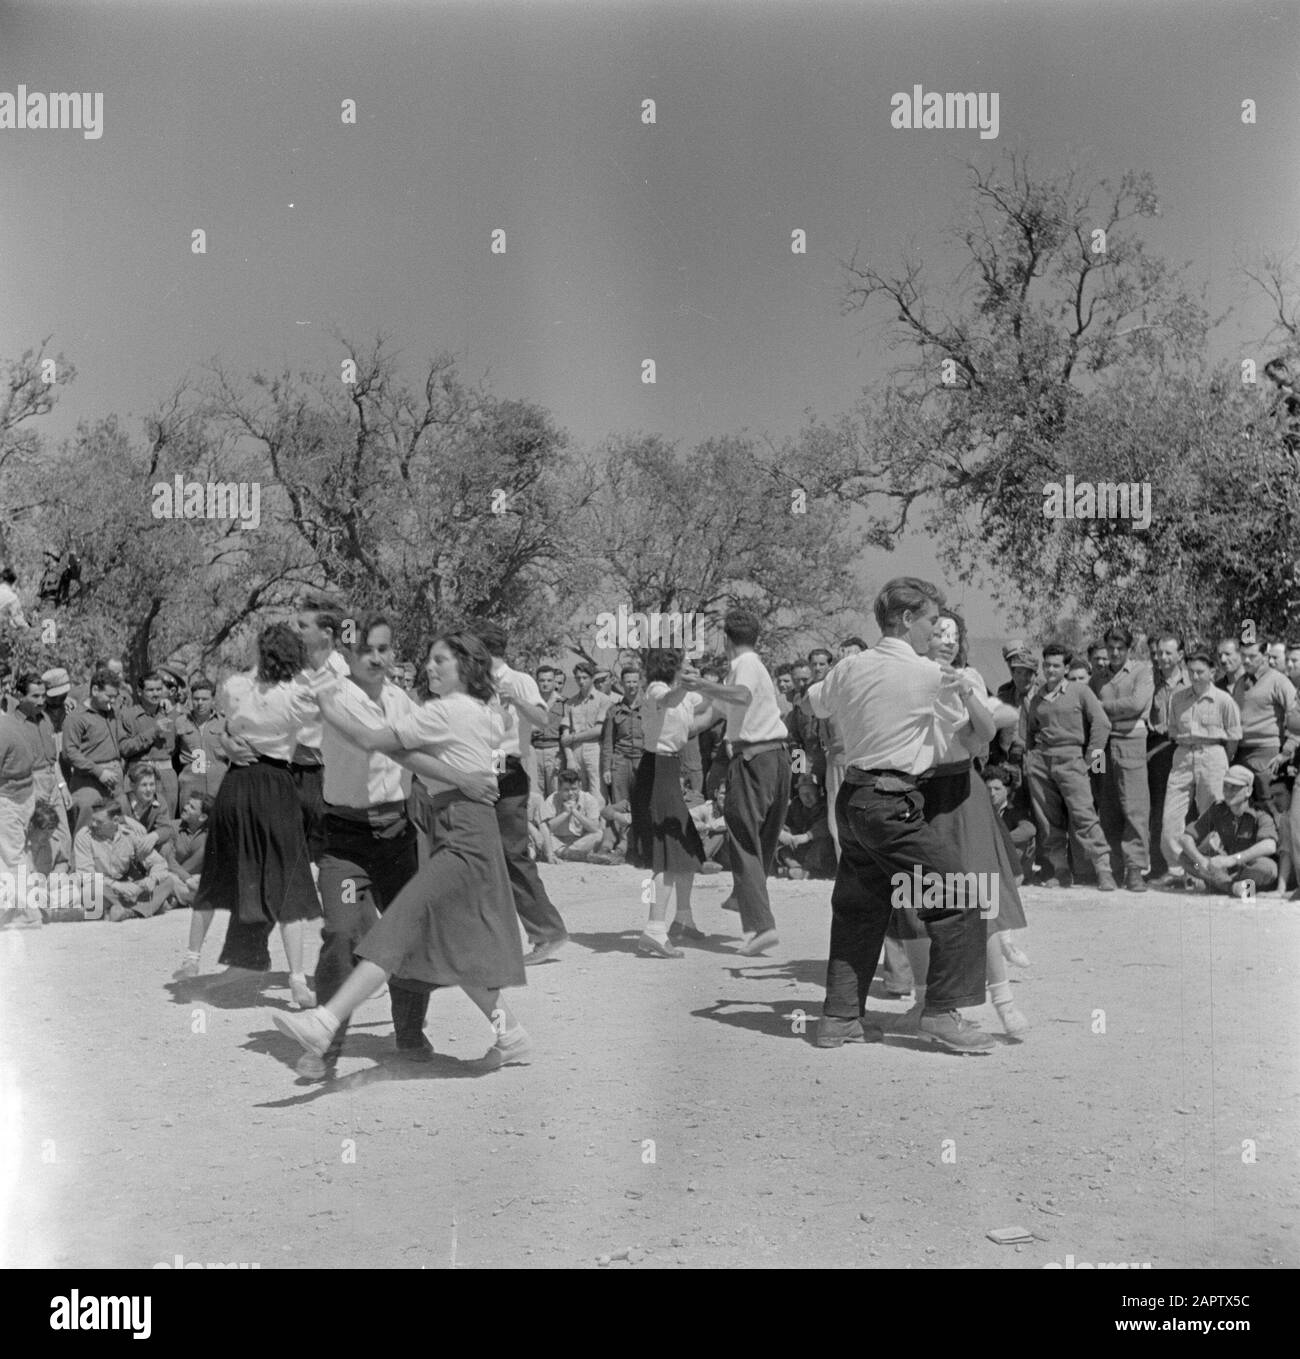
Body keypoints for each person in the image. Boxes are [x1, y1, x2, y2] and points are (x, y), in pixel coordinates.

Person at [272, 631, 531, 1072]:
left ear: (466, 666)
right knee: (454, 941)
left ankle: (325, 1021)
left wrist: (327, 705)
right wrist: (460, 776)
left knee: (398, 923)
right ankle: (511, 1035)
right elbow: (411, 755)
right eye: (429, 660)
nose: (429, 667)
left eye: (440, 661)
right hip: (464, 826)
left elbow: (372, 740)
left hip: (460, 833)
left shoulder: (443, 711)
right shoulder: (480, 711)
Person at [808, 577, 994, 1053]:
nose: (936, 631)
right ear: (908, 619)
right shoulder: (929, 675)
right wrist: (966, 690)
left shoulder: (850, 667)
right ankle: (941, 1014)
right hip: (893, 801)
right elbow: (980, 734)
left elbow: (815, 701)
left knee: (858, 909)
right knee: (959, 896)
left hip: (852, 798)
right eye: (931, 620)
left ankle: (839, 1017)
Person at [301, 614, 464, 1079]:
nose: (376, 658)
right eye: (365, 649)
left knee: (408, 932)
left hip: (397, 836)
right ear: (348, 654)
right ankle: (325, 1046)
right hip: (346, 842)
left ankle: (409, 1032)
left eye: (384, 649)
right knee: (341, 933)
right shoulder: (331, 697)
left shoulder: (402, 701)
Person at [175, 624, 334, 1007]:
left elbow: (229, 724)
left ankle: (192, 956)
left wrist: (230, 742)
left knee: (220, 872)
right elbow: (319, 710)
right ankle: (297, 979)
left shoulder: (236, 687)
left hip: (237, 784)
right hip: (276, 785)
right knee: (287, 881)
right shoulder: (296, 695)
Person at [688, 611, 791, 956]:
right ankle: (741, 895)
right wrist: (672, 731)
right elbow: (710, 715)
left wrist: (700, 684)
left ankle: (762, 926)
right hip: (775, 756)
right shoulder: (746, 670)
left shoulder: (745, 664)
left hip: (753, 759)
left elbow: (740, 697)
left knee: (744, 837)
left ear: (726, 639)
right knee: (762, 837)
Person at [477, 623, 570, 966]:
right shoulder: (477, 682)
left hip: (507, 766)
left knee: (513, 853)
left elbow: (543, 719)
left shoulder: (519, 680)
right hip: (482, 767)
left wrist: (514, 699)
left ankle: (547, 931)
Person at [628, 647, 713, 955]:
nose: (690, 668)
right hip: (656, 770)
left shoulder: (682, 693)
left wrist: (716, 690)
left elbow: (702, 712)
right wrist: (691, 684)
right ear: (672, 667)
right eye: (685, 665)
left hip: (669, 768)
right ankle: (654, 928)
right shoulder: (656, 689)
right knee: (667, 853)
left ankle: (683, 918)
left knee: (685, 843)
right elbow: (669, 700)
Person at [1022, 643, 1115, 890]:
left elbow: (1102, 724)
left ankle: (1103, 869)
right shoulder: (1037, 697)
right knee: (1047, 820)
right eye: (1047, 665)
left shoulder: (1079, 691)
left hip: (1072, 758)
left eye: (1056, 665)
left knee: (1084, 815)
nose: (1050, 670)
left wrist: (1090, 760)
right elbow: (1031, 731)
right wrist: (1030, 759)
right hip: (1041, 762)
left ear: (1066, 668)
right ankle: (1060, 870)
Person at [1152, 651, 1242, 889]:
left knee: (1213, 814)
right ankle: (1178, 870)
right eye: (1191, 671)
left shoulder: (1224, 700)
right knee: (1171, 817)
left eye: (1200, 672)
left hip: (1212, 754)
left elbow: (1234, 736)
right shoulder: (1178, 698)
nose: (1195, 676)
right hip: (1183, 754)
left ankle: (1211, 872)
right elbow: (1172, 729)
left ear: (1212, 672)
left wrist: (1221, 760)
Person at [1090, 625, 1154, 891]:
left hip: (1132, 744)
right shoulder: (1098, 678)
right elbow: (1090, 711)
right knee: (1107, 806)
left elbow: (1136, 705)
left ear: (1129, 649)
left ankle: (1135, 868)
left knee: (1135, 808)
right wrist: (1107, 711)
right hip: (1103, 747)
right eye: (1111, 648)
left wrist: (1102, 707)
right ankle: (1112, 868)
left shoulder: (1142, 672)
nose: (1115, 653)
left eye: (1120, 648)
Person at [60, 668, 154, 833]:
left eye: (115, 696)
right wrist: (99, 772)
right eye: (109, 696)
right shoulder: (76, 718)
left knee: (123, 822)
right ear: (95, 690)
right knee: (88, 820)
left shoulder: (113, 713)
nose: (112, 701)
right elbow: (70, 753)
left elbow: (125, 738)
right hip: (88, 780)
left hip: (115, 781)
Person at [1176, 765, 1278, 898]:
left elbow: (1270, 845)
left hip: (1250, 868)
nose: (1228, 792)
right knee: (1186, 859)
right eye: (1225, 786)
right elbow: (1186, 838)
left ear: (1248, 791)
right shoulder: (1218, 809)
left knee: (1267, 868)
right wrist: (1201, 861)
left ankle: (1221, 884)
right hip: (1225, 870)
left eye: (1235, 787)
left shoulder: (1261, 814)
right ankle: (1233, 887)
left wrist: (1233, 859)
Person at [73, 799, 171, 921]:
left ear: (115, 820)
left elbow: (159, 863)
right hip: (105, 887)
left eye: (99, 822)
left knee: (168, 880)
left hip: (130, 887)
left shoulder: (129, 834)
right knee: (89, 892)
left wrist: (151, 880)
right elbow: (86, 875)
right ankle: (148, 907)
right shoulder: (84, 836)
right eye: (92, 819)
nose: (93, 824)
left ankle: (127, 911)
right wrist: (118, 886)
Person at [1231, 637, 1298, 802]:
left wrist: (1286, 751)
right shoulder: (1240, 682)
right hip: (1240, 753)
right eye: (1243, 655)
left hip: (1267, 754)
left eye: (1252, 656)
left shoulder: (1279, 681)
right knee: (1241, 806)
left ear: (1265, 656)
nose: (1246, 660)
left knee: (1270, 806)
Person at [1147, 633, 1190, 880]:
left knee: (1187, 809)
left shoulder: (1192, 680)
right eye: (1159, 653)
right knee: (1158, 808)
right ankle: (1159, 867)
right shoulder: (1150, 682)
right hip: (1157, 749)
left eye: (1168, 653)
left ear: (1180, 655)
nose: (1162, 658)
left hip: (1184, 747)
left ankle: (1190, 868)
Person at [10, 672, 69, 833]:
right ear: (20, 696)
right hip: (31, 785)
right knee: (39, 837)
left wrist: (62, 785)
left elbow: (53, 759)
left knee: (63, 837)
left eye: (43, 696)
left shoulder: (45, 719)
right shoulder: (12, 725)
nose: (41, 701)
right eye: (35, 696)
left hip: (53, 783)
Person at [561, 661, 612, 805]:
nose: (581, 681)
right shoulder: (570, 703)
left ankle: (598, 820)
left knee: (597, 794)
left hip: (594, 749)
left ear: (592, 678)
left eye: (585, 677)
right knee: (577, 794)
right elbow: (565, 735)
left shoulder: (603, 700)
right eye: (578, 678)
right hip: (575, 751)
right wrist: (569, 758)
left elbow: (598, 730)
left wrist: (573, 737)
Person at [175, 675, 229, 808]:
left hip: (218, 785)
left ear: (213, 700)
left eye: (204, 699)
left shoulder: (224, 723)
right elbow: (172, 752)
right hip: (190, 786)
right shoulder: (180, 722)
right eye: (196, 699)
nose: (200, 703)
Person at [133, 671, 181, 816]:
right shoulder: (129, 715)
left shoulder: (177, 715)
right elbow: (124, 748)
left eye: (159, 689)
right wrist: (153, 731)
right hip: (141, 773)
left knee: (167, 819)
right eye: (151, 690)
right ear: (140, 691)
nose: (156, 693)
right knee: (140, 820)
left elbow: (182, 747)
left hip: (167, 776)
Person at [538, 770, 611, 863]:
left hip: (580, 841)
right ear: (559, 788)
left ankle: (566, 853)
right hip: (558, 840)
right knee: (542, 836)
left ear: (580, 786)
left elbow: (594, 828)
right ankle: (575, 855)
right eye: (566, 790)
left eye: (574, 789)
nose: (571, 793)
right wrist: (565, 813)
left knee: (599, 834)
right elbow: (547, 828)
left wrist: (575, 812)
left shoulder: (589, 799)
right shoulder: (551, 799)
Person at [776, 776, 836, 879]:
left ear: (819, 792)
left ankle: (806, 872)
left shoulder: (827, 805)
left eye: (810, 793)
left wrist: (808, 836)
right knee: (778, 836)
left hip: (817, 851)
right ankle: (795, 866)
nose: (806, 798)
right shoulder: (796, 805)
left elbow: (828, 823)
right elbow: (785, 823)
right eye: (802, 794)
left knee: (825, 841)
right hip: (801, 847)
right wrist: (786, 834)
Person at [601, 664, 645, 805]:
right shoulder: (614, 710)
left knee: (644, 803)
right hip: (620, 762)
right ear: (621, 684)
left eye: (634, 681)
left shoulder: (650, 708)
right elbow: (608, 742)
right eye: (628, 682)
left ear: (640, 683)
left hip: (643, 760)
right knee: (620, 804)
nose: (631, 686)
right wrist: (606, 769)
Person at [530, 665, 567, 799]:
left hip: (555, 751)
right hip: (535, 750)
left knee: (556, 794)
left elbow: (566, 732)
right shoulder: (531, 702)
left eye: (549, 680)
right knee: (535, 794)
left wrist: (562, 756)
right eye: (542, 680)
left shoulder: (564, 703)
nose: (545, 684)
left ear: (554, 681)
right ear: (537, 681)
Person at [1266, 778, 1294, 897]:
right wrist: (1280, 890)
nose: (1274, 800)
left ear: (1293, 793)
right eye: (1272, 796)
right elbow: (1286, 852)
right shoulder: (1285, 817)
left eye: (1279, 795)